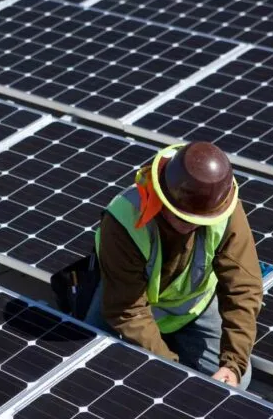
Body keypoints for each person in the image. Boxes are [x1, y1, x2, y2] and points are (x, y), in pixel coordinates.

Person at [84, 141, 263, 389]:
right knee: (91, 369)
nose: (191, 225)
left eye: (200, 219)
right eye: (182, 216)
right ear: (161, 195)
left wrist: (233, 364)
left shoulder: (222, 207)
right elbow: (128, 311)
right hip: (126, 303)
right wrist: (172, 369)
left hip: (194, 307)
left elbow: (244, 288)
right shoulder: (123, 220)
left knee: (236, 384)